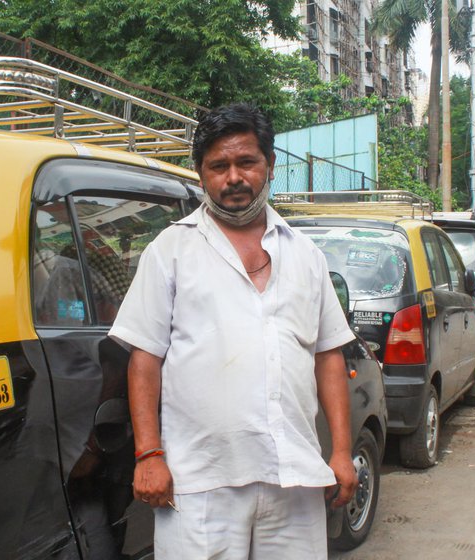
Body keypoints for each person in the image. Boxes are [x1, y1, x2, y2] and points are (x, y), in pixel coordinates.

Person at [109, 103, 358, 559]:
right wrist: (148, 455)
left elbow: (328, 355)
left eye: (247, 162)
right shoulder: (171, 251)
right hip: (200, 482)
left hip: (294, 476)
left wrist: (340, 451)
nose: (234, 178)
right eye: (218, 166)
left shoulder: (306, 256)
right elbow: (145, 357)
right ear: (201, 174)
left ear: (270, 165)